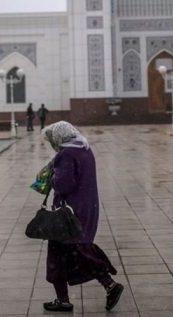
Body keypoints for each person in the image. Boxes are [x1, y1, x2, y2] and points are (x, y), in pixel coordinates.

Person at [41, 121, 123, 312]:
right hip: (86, 208)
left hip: (68, 213)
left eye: (52, 140)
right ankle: (106, 286)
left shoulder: (66, 155)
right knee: (77, 250)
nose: (52, 144)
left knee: (67, 253)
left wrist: (52, 174)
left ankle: (107, 286)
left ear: (59, 138)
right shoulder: (84, 149)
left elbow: (63, 185)